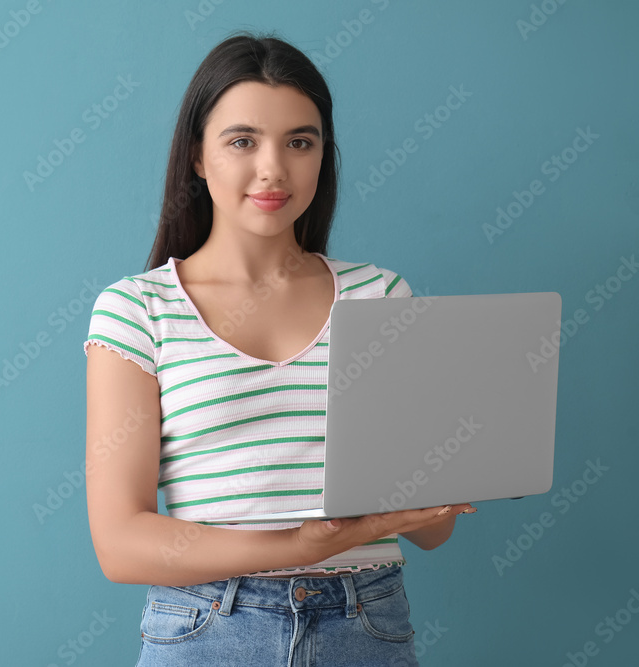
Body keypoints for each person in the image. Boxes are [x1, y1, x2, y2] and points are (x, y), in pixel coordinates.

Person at [82, 30, 475, 666]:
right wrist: (300, 545)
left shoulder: (380, 296)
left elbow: (436, 529)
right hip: (207, 628)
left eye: (300, 141)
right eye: (243, 141)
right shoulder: (137, 310)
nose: (273, 168)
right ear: (197, 157)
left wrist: (449, 464)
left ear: (324, 155)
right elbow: (121, 545)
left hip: (365, 623)